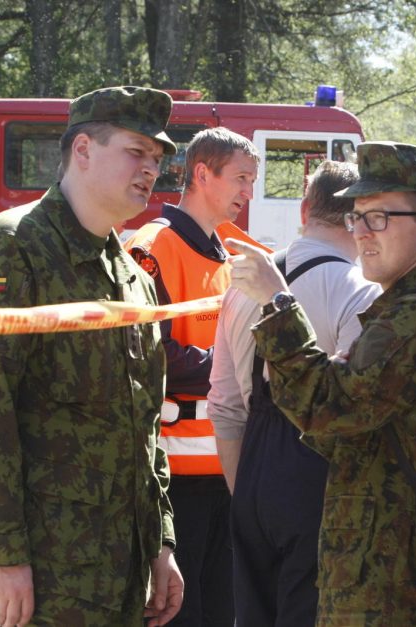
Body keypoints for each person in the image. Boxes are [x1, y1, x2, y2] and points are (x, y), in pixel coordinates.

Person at [225, 141, 416, 625]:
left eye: (379, 218)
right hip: (396, 575)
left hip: (400, 587)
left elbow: (324, 407)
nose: (362, 233)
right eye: (356, 217)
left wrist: (278, 303)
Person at [0, 86, 183, 627]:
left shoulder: (131, 275)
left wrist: (161, 542)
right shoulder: (14, 245)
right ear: (82, 150)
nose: (151, 169)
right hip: (40, 575)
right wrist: (2, 556)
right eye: (136, 151)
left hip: (119, 570)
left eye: (158, 158)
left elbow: (143, 425)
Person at [209, 160, 381, 626]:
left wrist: (242, 491)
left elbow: (224, 405)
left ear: (305, 208)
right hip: (321, 482)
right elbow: (355, 406)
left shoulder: (243, 284)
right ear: (357, 217)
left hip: (251, 474)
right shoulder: (360, 291)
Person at [124, 127, 264, 627]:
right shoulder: (152, 246)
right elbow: (149, 355)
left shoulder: (228, 252)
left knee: (223, 612)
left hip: (226, 470)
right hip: (175, 478)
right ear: (203, 174)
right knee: (178, 614)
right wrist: (237, 368)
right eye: (242, 179)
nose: (249, 192)